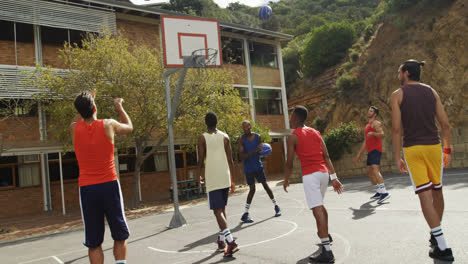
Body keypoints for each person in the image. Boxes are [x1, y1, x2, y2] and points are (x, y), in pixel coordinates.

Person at [391, 60, 454, 261]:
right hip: (434, 147)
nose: (398, 74)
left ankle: (442, 245)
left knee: (424, 195)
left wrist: (397, 156)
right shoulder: (431, 91)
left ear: (406, 73)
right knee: (437, 190)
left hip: (413, 148)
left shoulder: (397, 95)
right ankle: (437, 235)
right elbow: (445, 124)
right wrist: (447, 149)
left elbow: (396, 129)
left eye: (399, 71)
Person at [70, 90, 133, 264]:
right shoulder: (108, 124)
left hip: (87, 189)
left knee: (94, 242)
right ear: (95, 107)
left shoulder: (74, 128)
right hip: (109, 185)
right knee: (120, 236)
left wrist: (88, 102)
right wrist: (119, 107)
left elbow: (79, 118)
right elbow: (129, 126)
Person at [283, 106, 343, 263]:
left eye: (291, 116)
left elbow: (289, 163)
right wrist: (334, 177)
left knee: (317, 209)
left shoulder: (293, 136)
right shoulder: (316, 132)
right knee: (320, 206)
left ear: (296, 118)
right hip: (323, 174)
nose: (290, 118)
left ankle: (327, 251)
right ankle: (326, 236)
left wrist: (286, 179)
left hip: (310, 175)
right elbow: (326, 155)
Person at [197, 112, 239, 257]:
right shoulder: (225, 137)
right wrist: (233, 180)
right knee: (222, 210)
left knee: (217, 211)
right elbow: (231, 160)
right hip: (225, 176)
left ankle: (230, 242)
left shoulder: (202, 138)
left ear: (205, 122)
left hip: (213, 177)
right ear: (217, 121)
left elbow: (201, 159)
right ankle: (221, 241)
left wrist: (199, 175)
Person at [238, 120, 281, 223]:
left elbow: (260, 151)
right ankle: (245, 213)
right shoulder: (241, 139)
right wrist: (255, 151)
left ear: (250, 126)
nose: (246, 129)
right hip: (248, 168)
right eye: (244, 127)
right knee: (252, 190)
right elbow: (242, 156)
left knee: (266, 186)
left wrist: (265, 152)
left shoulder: (258, 137)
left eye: (247, 126)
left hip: (258, 166)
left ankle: (276, 206)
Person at [355, 106, 391, 204]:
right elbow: (365, 141)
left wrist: (374, 134)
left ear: (375, 114)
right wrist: (359, 154)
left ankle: (384, 193)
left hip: (376, 150)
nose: (369, 112)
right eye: (369, 110)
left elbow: (382, 134)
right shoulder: (367, 125)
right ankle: (379, 192)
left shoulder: (376, 123)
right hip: (370, 151)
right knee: (369, 172)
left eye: (371, 111)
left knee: (375, 170)